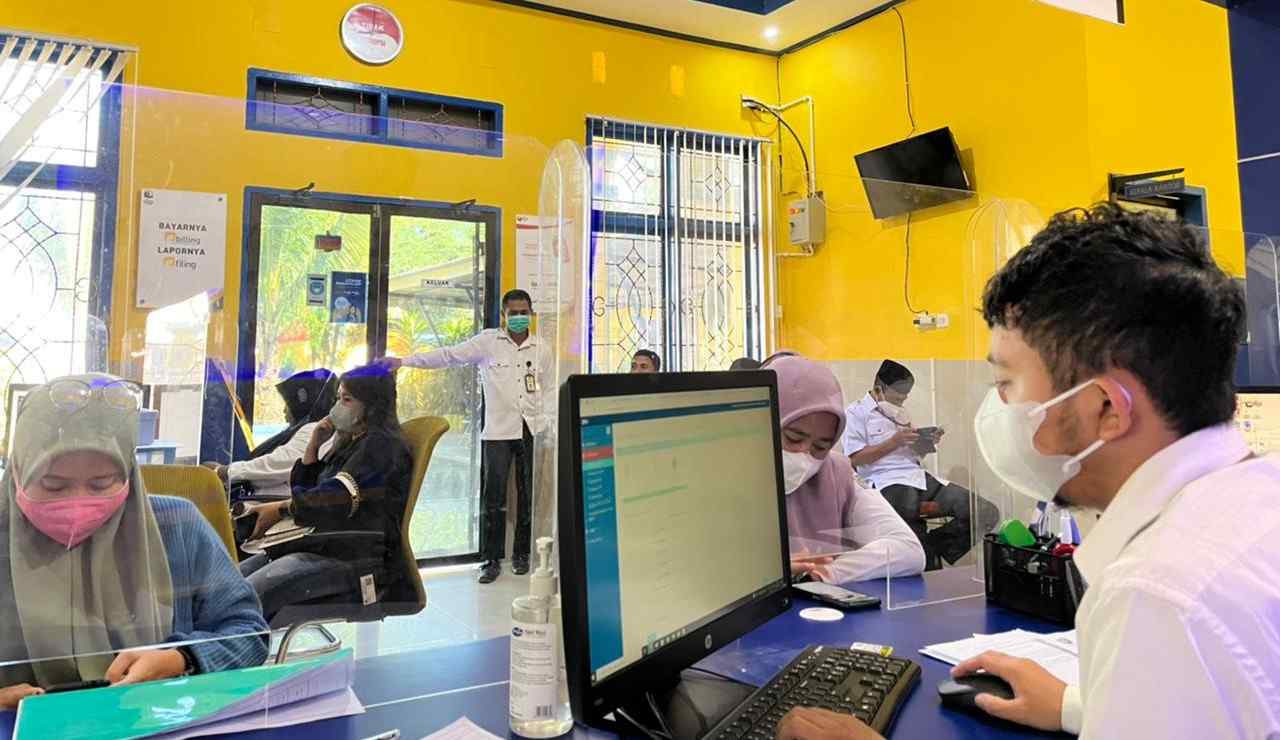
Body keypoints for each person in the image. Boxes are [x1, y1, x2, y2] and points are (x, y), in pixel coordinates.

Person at [778, 204, 1279, 739]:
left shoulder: (1159, 597)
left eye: (1007, 385)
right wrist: (1077, 706)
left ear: (1107, 408)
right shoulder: (1251, 506)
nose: (996, 410)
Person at [0, 374, 268, 708]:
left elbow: (249, 632)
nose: (77, 501)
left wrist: (181, 658)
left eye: (101, 484)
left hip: (152, 717)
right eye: (53, 485)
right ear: (17, 472)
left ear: (129, 473)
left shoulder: (177, 526)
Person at [382, 288, 548, 583]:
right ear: (503, 315)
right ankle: (491, 559)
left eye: (524, 313)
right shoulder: (488, 342)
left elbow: (548, 390)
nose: (519, 318)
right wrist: (405, 361)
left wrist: (550, 425)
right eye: (513, 313)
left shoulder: (541, 348)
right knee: (494, 497)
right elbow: (449, 355)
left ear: (531, 313)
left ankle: (521, 555)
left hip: (531, 428)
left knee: (527, 496)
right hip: (498, 431)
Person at [239, 364, 413, 623]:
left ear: (371, 406)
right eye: (338, 398)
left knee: (241, 601)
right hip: (326, 545)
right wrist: (314, 445)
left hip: (356, 559)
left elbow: (330, 501)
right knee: (227, 586)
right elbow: (314, 492)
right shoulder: (351, 442)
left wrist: (281, 509)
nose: (337, 407)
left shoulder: (381, 447)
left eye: (347, 400)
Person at [772, 355, 925, 584]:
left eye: (821, 446)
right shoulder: (727, 479)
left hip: (912, 476)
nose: (803, 455)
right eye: (793, 438)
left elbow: (908, 550)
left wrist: (820, 573)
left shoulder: (835, 473)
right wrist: (770, 571)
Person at [844, 360, 995, 570]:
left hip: (918, 478)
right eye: (897, 398)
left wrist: (925, 442)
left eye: (904, 398)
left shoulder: (900, 413)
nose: (901, 402)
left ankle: (933, 548)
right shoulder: (855, 413)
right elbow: (855, 459)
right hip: (886, 482)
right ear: (879, 389)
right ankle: (926, 558)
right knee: (910, 518)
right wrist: (894, 441)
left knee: (984, 511)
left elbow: (913, 453)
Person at [205, 368, 337, 500]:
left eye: (288, 405)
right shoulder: (315, 431)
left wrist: (224, 471)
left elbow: (276, 464)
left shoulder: (315, 431)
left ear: (301, 404)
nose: (284, 411)